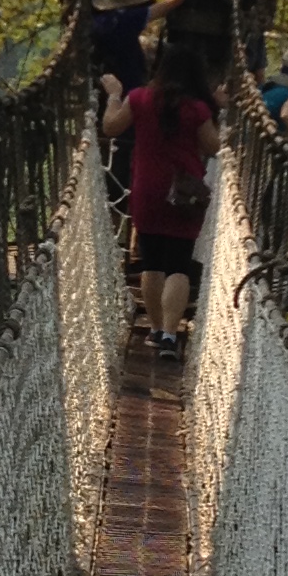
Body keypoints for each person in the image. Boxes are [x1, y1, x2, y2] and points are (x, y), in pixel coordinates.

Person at [100, 34, 221, 356]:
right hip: (184, 195)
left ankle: (155, 330)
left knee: (151, 263)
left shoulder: (139, 97)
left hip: (147, 190)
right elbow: (214, 147)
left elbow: (111, 127)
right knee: (178, 265)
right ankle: (170, 335)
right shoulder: (197, 109)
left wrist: (114, 95)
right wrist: (217, 112)